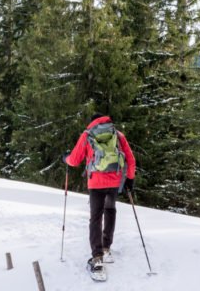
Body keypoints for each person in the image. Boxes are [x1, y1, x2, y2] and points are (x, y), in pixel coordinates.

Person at [64, 112, 136, 276]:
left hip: (96, 183)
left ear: (92, 122)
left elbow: (74, 160)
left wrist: (65, 158)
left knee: (96, 217)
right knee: (110, 210)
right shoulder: (117, 134)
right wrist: (130, 179)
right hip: (114, 181)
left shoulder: (87, 135)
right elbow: (130, 159)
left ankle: (97, 258)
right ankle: (106, 248)